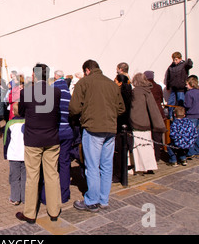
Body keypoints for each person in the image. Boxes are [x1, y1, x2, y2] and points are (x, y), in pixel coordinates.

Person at [69, 60, 125, 212]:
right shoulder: (112, 84)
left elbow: (74, 108)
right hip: (110, 128)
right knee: (107, 165)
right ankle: (103, 199)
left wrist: (84, 113)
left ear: (87, 70)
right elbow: (121, 108)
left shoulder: (84, 82)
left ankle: (92, 200)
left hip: (93, 127)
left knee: (92, 165)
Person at [15, 63, 62, 224]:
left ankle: (30, 213)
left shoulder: (27, 92)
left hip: (33, 139)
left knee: (32, 176)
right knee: (52, 175)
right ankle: (54, 211)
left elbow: (20, 112)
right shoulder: (56, 92)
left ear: (34, 76)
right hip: (51, 138)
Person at [41, 70, 73, 205]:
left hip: (56, 131)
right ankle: (64, 194)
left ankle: (46, 196)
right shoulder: (68, 93)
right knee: (65, 163)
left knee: (49, 164)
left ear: (55, 77)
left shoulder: (53, 91)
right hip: (68, 131)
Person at [129, 73, 166, 175]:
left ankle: (140, 168)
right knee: (147, 147)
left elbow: (134, 109)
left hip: (137, 123)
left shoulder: (136, 92)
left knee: (138, 148)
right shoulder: (147, 91)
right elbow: (153, 108)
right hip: (147, 124)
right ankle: (149, 166)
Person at [3, 104, 26, 205]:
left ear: (13, 112)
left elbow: (6, 141)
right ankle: (26, 197)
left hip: (13, 154)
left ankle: (15, 197)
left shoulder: (9, 123)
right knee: (26, 177)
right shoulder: (28, 122)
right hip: (26, 153)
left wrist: (5, 154)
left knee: (14, 177)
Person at [112, 73, 133, 183]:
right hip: (126, 124)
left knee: (118, 152)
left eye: (115, 80)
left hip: (120, 125)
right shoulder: (129, 92)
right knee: (121, 152)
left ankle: (118, 175)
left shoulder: (120, 94)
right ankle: (121, 174)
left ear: (120, 83)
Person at [144, 70, 166, 162]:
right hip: (159, 112)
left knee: (150, 136)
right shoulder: (158, 87)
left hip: (150, 113)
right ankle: (157, 156)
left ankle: (151, 157)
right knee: (157, 136)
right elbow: (161, 99)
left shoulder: (146, 88)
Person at [164, 52, 193, 119]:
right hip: (173, 88)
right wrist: (168, 86)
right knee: (171, 103)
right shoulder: (171, 67)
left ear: (180, 59)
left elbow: (190, 65)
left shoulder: (184, 65)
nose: (175, 61)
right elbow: (168, 77)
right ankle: (170, 116)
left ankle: (181, 117)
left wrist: (189, 61)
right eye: (174, 60)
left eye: (176, 59)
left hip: (181, 88)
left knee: (181, 103)